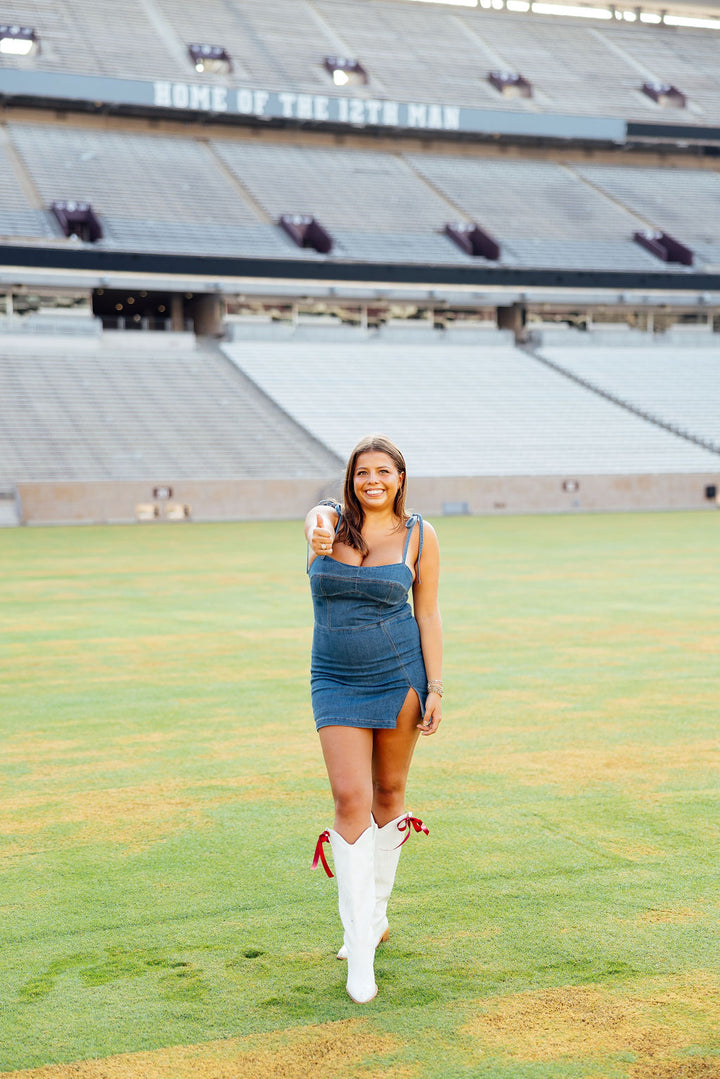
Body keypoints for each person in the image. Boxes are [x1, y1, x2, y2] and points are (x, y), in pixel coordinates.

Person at [305, 434, 443, 1003]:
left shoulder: (420, 535)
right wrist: (317, 522)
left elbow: (428, 611)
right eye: (363, 472)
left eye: (384, 471)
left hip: (400, 677)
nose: (373, 481)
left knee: (389, 791)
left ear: (400, 478)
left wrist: (435, 686)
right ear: (350, 479)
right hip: (334, 679)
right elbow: (314, 522)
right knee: (348, 798)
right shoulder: (324, 524)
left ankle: (376, 916)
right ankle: (357, 945)